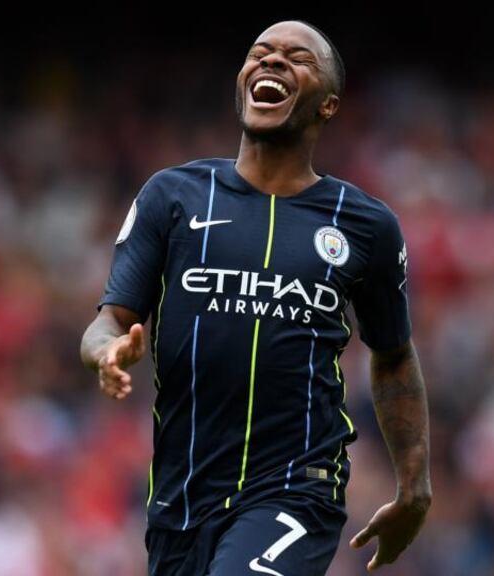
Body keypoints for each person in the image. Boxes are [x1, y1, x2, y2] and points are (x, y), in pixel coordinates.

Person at [81, 20, 431, 575]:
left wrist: (415, 487)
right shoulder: (172, 197)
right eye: (259, 53)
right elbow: (108, 322)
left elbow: (393, 356)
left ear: (328, 106)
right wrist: (104, 351)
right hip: (181, 497)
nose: (271, 62)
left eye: (297, 58)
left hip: (296, 489)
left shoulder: (365, 225)